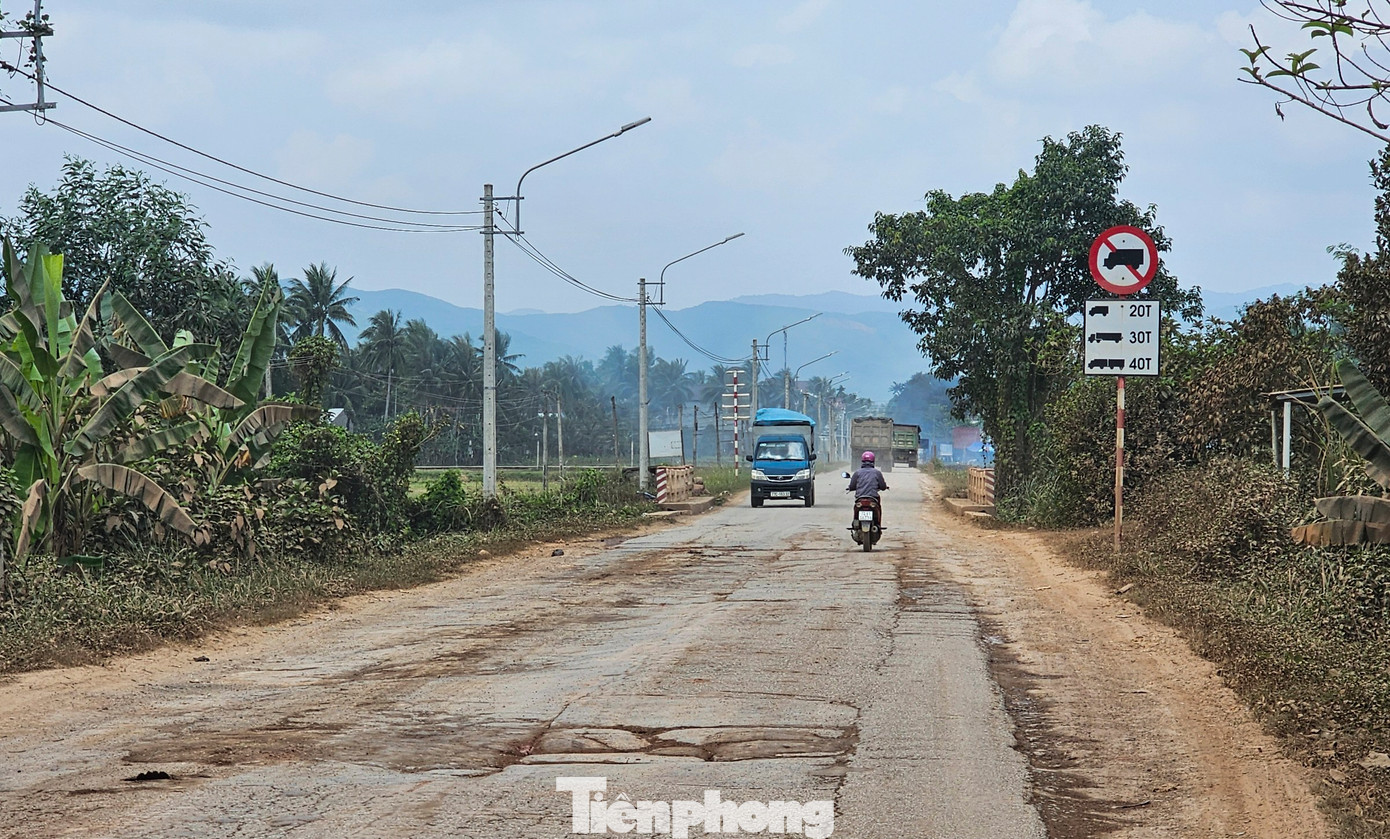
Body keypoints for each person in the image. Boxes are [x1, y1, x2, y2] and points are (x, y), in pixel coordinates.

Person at [846, 450, 888, 526]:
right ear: (873, 461)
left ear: (862, 461)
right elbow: (882, 486)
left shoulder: (857, 472)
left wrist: (849, 488)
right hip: (873, 498)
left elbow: (852, 486)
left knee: (856, 508)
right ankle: (878, 524)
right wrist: (884, 487)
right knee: (878, 508)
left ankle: (855, 522)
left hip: (860, 498)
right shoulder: (877, 473)